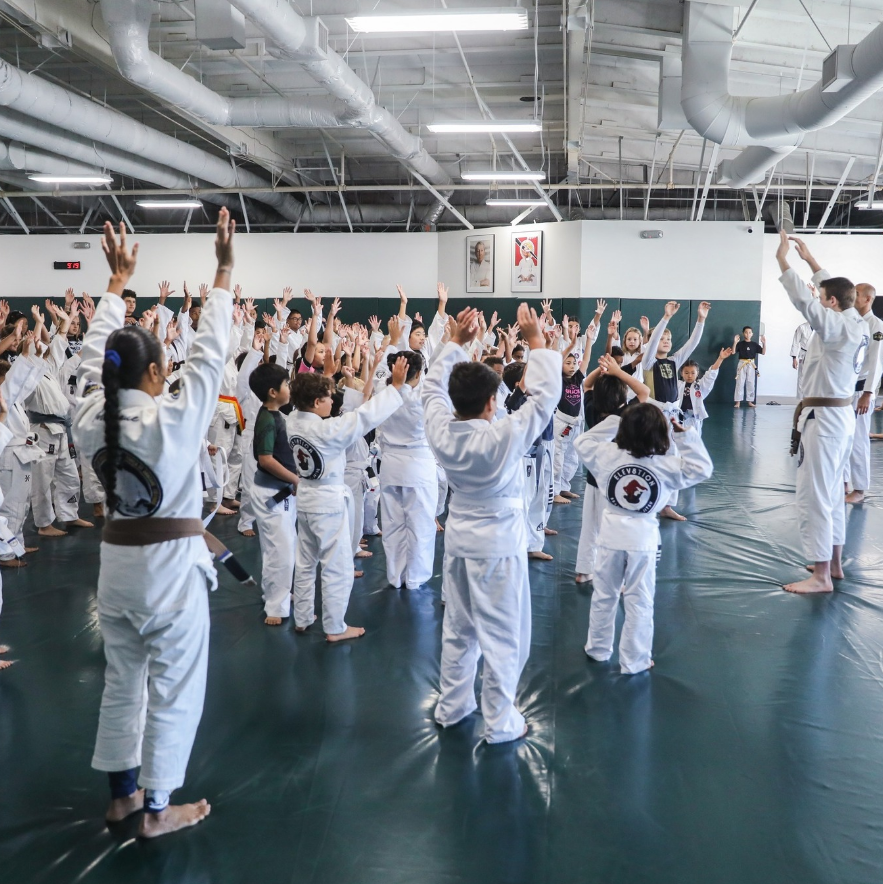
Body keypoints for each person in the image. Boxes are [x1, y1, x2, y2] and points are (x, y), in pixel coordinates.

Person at [72, 210, 236, 837]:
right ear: (154, 374)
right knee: (174, 691)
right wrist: (222, 269)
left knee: (123, 684)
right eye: (165, 366)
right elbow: (212, 349)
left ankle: (120, 798)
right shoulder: (174, 419)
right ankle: (158, 808)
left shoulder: (92, 415)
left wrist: (115, 287)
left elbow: (93, 362)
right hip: (170, 578)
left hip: (117, 572)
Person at [424, 304, 561, 744]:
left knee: (459, 630)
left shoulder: (442, 432)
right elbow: (544, 400)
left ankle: (452, 706)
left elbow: (430, 389)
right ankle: (500, 722)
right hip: (499, 546)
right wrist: (536, 342)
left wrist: (456, 343)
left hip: (460, 541)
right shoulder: (504, 435)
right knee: (504, 636)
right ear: (491, 402)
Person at [575, 404, 713, 674]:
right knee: (640, 599)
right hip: (643, 541)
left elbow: (582, 441)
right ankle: (635, 660)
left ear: (622, 431)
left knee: (605, 595)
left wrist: (616, 421)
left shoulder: (607, 455)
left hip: (610, 537)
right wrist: (685, 435)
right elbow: (702, 468)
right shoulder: (666, 465)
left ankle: (598, 649)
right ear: (662, 433)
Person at [287, 357, 408, 641]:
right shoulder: (327, 431)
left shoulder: (293, 420)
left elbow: (342, 411)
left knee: (305, 562)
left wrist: (328, 375)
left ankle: (303, 617)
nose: (333, 402)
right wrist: (396, 388)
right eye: (328, 398)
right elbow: (364, 417)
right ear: (316, 403)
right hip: (327, 503)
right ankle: (335, 627)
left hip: (305, 499)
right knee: (336, 566)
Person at [775, 232, 867, 594]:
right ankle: (833, 563)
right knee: (830, 493)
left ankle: (821, 576)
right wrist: (811, 260)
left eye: (823, 299)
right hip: (837, 420)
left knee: (815, 494)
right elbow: (831, 289)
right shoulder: (853, 321)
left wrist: (784, 261)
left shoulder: (836, 325)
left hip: (826, 422)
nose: (819, 301)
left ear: (830, 303)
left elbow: (805, 301)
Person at [574, 355, 651, 585]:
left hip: (594, 478)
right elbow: (644, 391)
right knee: (618, 529)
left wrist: (601, 370)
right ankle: (619, 574)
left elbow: (586, 385)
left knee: (590, 526)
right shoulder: (626, 415)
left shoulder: (591, 410)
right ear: (622, 397)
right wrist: (617, 371)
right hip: (619, 482)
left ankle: (584, 571)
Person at [640, 300, 710, 519]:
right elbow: (651, 344)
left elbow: (692, 344)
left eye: (669, 339)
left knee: (674, 457)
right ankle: (649, 497)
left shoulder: (673, 361)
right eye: (662, 338)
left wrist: (701, 320)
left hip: (673, 415)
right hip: (654, 415)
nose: (667, 341)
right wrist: (666, 318)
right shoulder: (648, 362)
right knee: (652, 456)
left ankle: (668, 505)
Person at [376, 350, 437, 589]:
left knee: (392, 525)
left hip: (390, 466)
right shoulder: (421, 399)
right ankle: (415, 579)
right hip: (418, 467)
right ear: (420, 374)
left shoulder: (383, 395)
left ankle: (395, 576)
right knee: (420, 526)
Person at [249, 362, 299, 625]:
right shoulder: (268, 419)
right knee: (281, 550)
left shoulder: (276, 415)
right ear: (272, 392)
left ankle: (275, 593)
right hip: (272, 493)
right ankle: (275, 608)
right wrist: (295, 479)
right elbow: (265, 459)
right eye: (286, 384)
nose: (289, 388)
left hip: (279, 492)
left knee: (280, 547)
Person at [843, 283, 883, 504]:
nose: (852, 297)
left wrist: (869, 392)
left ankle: (859, 490)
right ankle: (844, 481)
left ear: (868, 299)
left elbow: (876, 363)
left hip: (862, 392)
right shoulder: (852, 322)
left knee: (858, 439)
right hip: (846, 390)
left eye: (856, 294)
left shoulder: (876, 326)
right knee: (842, 437)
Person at [678, 348, 733, 434]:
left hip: (694, 419)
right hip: (679, 418)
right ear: (681, 373)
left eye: (693, 373)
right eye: (686, 373)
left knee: (694, 442)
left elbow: (711, 375)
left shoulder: (700, 386)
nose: (689, 375)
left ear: (697, 373)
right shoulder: (678, 385)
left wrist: (720, 358)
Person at [733, 326, 766, 407]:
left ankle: (750, 401)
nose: (748, 334)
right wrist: (735, 342)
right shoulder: (740, 344)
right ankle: (738, 402)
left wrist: (764, 343)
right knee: (740, 382)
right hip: (742, 363)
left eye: (749, 332)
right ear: (743, 333)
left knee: (750, 382)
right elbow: (733, 352)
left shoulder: (754, 344)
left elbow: (763, 352)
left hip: (751, 364)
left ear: (752, 334)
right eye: (746, 332)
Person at [791, 318, 813, 399]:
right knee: (802, 377)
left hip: (816, 356)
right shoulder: (802, 327)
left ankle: (811, 400)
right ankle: (801, 400)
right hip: (804, 354)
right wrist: (794, 358)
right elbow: (795, 343)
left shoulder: (820, 329)